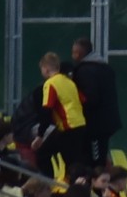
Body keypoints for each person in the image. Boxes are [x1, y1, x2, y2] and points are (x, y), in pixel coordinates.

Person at [36, 50, 89, 183]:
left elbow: (47, 109)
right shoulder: (69, 82)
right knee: (74, 160)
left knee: (44, 154)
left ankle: (48, 184)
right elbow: (83, 100)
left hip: (67, 126)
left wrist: (40, 134)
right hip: (80, 124)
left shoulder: (50, 84)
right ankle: (79, 185)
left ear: (46, 68)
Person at [68, 37, 120, 168]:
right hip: (107, 121)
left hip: (94, 125)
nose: (72, 55)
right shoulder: (106, 69)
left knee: (94, 161)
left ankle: (95, 179)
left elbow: (90, 99)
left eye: (74, 52)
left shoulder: (84, 71)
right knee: (100, 154)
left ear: (78, 53)